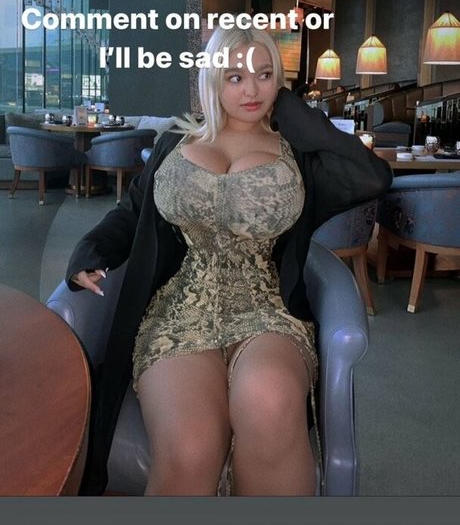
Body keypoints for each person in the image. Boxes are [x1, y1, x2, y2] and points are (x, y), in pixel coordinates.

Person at [66, 25, 392, 496]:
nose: (251, 90)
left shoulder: (297, 153)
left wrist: (291, 109)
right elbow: (132, 213)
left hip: (269, 310)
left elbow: (372, 177)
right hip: (178, 312)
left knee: (269, 401)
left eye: (265, 75)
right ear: (212, 79)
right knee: (190, 447)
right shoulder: (174, 143)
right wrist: (89, 252)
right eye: (235, 77)